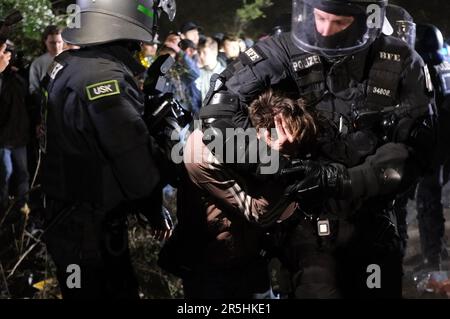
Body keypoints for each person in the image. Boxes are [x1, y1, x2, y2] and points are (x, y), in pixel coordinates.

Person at [198, 0, 435, 298]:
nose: (325, 31)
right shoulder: (283, 49)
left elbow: (417, 148)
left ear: (365, 19)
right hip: (304, 224)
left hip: (370, 220)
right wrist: (268, 157)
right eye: (320, 18)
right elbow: (215, 113)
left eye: (340, 22)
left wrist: (339, 179)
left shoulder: (401, 60)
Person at [40, 0, 175, 299]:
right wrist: (157, 201)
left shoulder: (67, 64)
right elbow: (136, 167)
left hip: (67, 214)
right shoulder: (104, 77)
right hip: (90, 226)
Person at [159, 89, 316, 299]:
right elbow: (258, 212)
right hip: (213, 269)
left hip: (249, 258)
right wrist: (279, 161)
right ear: (264, 134)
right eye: (288, 147)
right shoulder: (205, 150)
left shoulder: (247, 145)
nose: (291, 154)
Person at [414, 23, 450, 270]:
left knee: (428, 197)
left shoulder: (425, 67)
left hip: (438, 137)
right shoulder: (446, 60)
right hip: (447, 137)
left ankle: (433, 258)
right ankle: (440, 250)